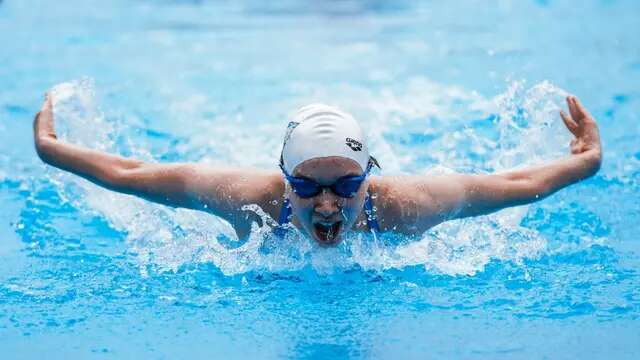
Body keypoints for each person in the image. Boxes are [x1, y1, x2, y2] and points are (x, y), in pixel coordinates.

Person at [33, 95, 602, 246]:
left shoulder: (404, 205)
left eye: (347, 185)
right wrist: (52, 150)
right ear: (284, 180)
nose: (327, 204)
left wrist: (586, 162)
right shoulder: (249, 199)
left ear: (368, 176)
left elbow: (516, 186)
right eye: (306, 186)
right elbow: (132, 173)